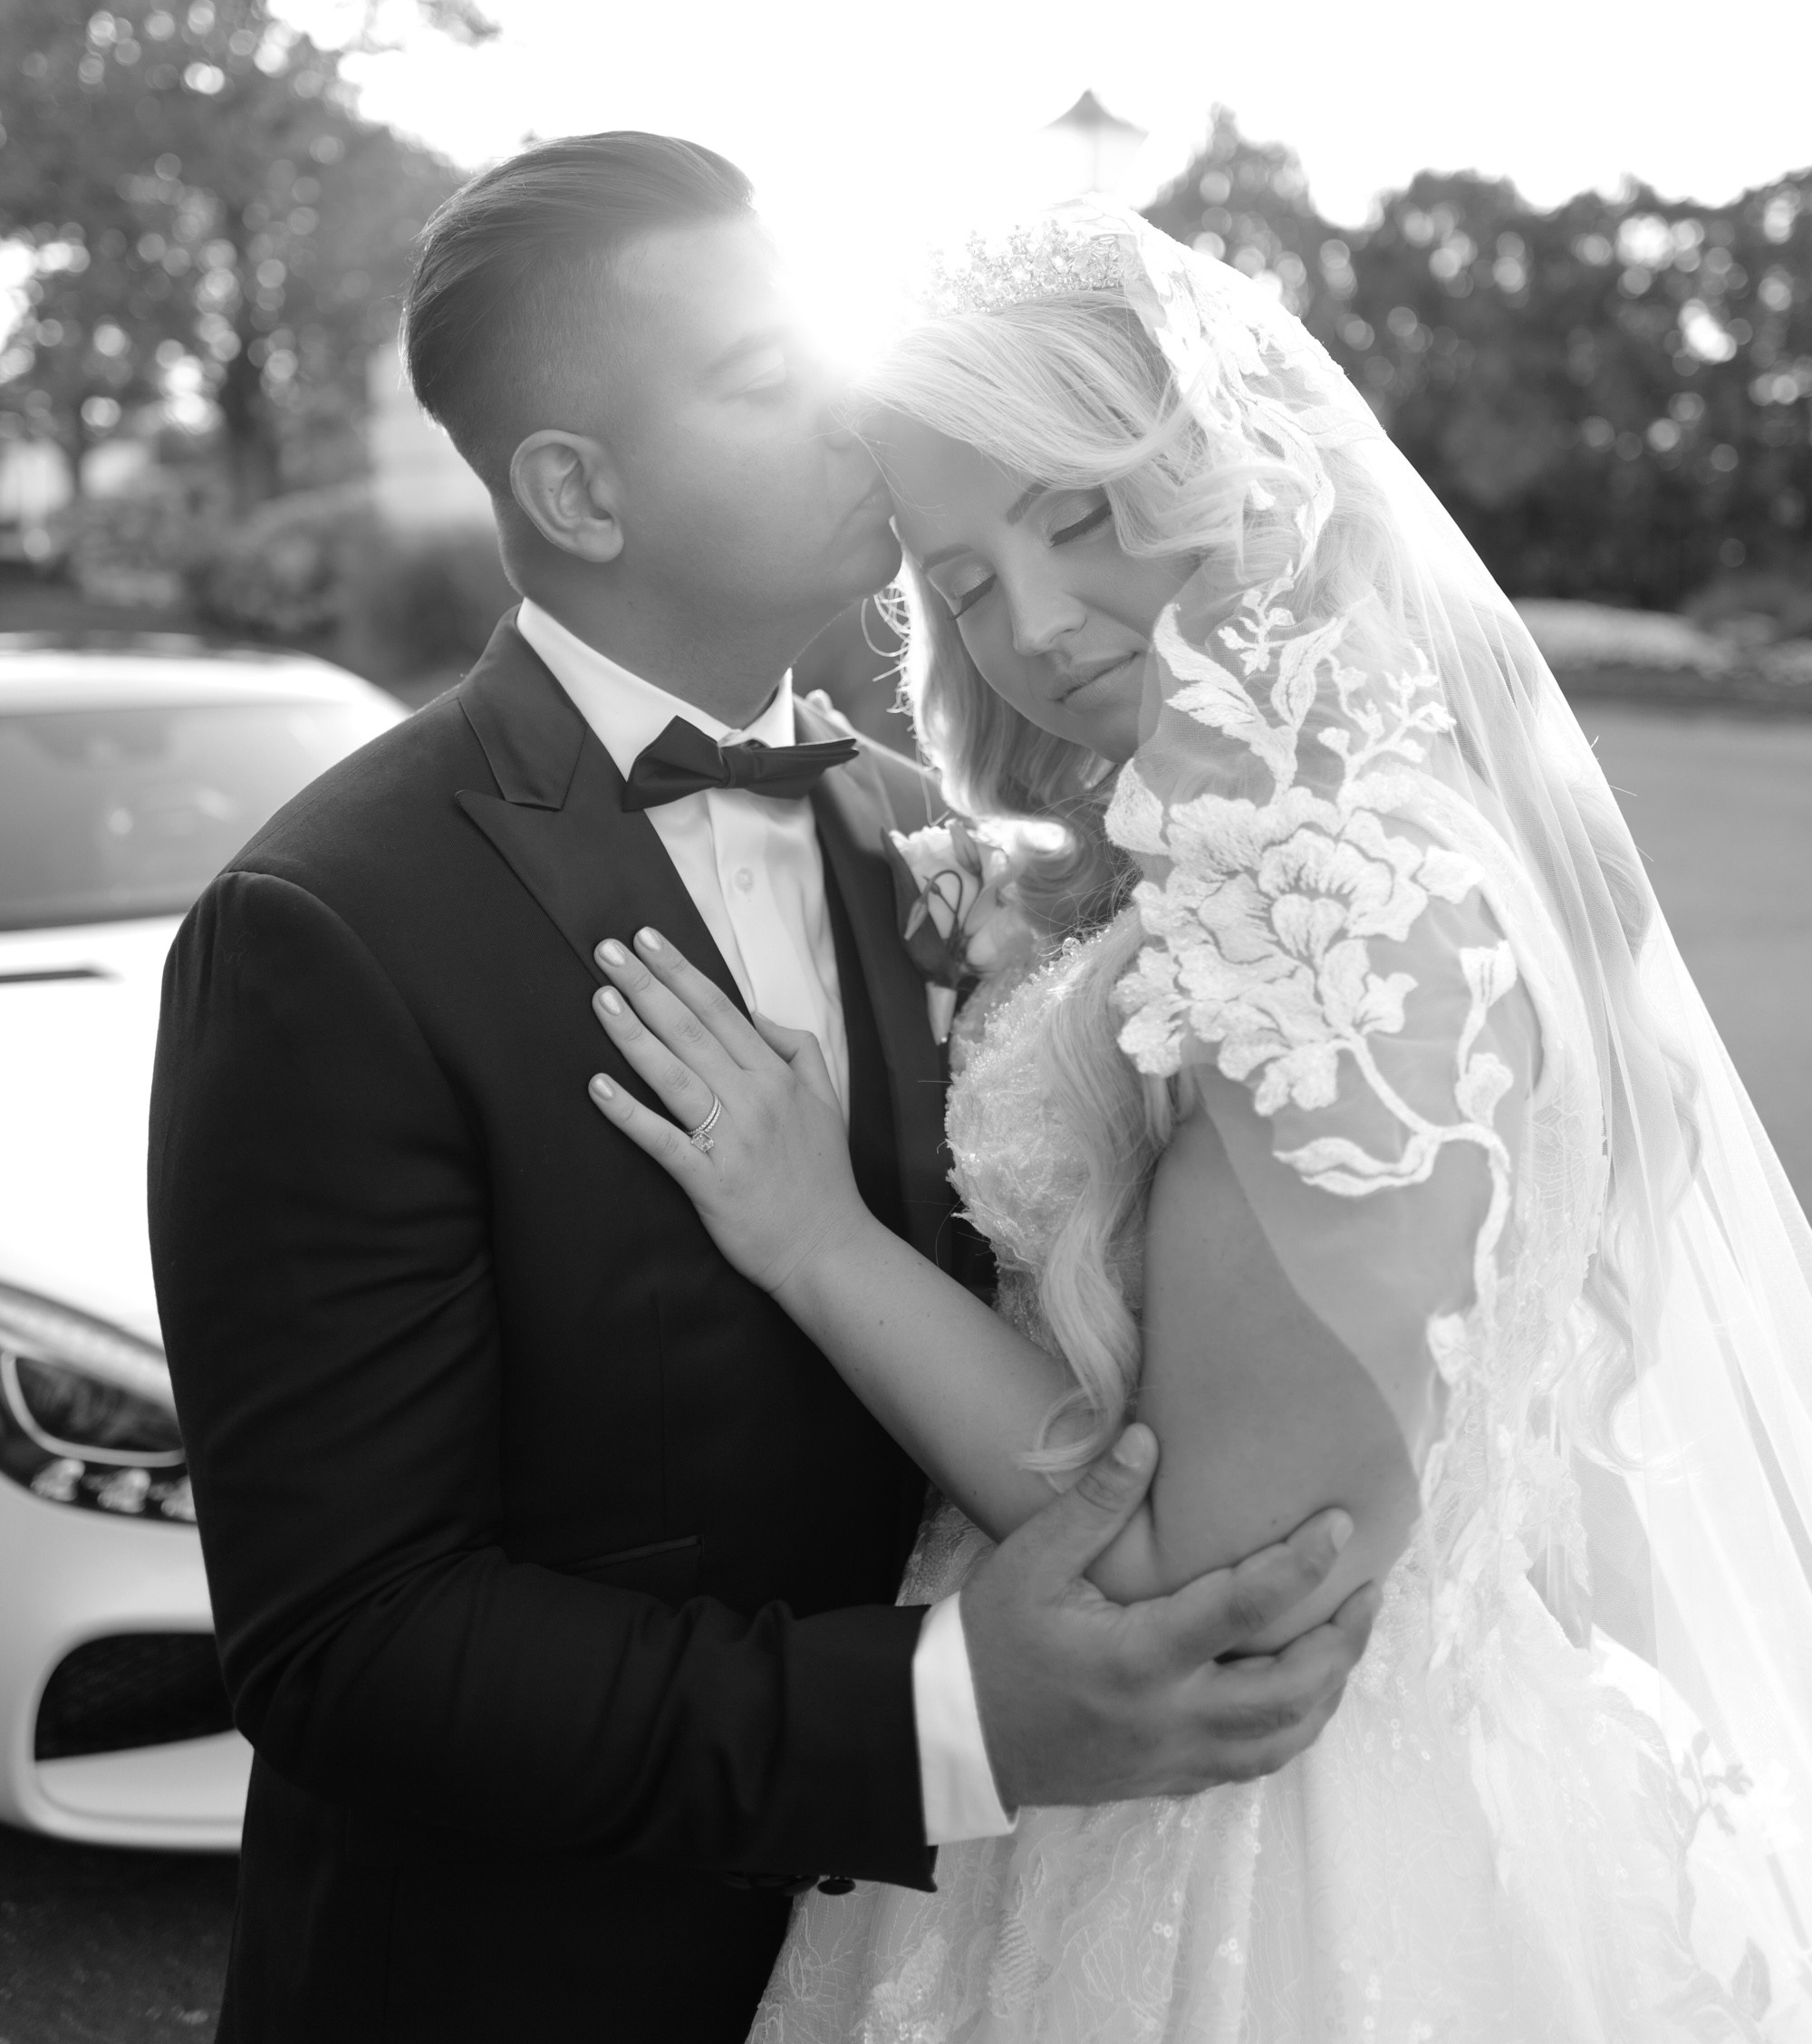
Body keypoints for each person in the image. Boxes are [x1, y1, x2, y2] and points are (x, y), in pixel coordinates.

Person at [148, 140, 1377, 2044]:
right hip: (535, 1983)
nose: (850, 403)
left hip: (968, 1955)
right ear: (575, 487)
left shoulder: (924, 838)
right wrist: (945, 1719)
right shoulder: (328, 926)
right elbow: (348, 1641)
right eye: (755, 377)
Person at [586, 204, 1812, 2041]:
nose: (1035, 629)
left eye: (1076, 517)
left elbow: (1204, 1585)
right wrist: (1050, 940)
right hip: (1261, 1788)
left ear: (1242, 470)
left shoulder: (1347, 917)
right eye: (965, 577)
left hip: (1273, 1879)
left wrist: (810, 1235)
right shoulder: (1315, 850)